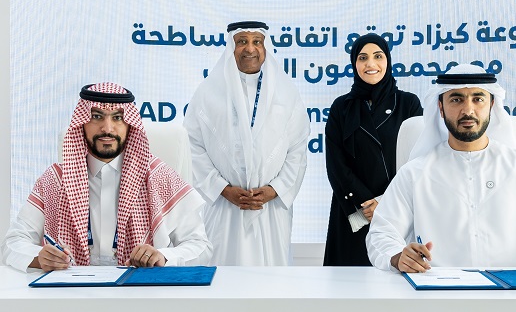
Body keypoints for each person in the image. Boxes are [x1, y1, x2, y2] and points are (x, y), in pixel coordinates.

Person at [366, 64, 516, 276]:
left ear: (491, 105)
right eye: (456, 99)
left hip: (514, 295)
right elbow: (381, 233)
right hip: (439, 294)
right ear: (441, 108)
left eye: (478, 99)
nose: (468, 110)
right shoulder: (414, 173)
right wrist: (397, 257)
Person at [1, 83, 212, 272]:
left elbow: (201, 247)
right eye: (97, 116)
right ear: (82, 123)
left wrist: (164, 256)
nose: (107, 128)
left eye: (118, 118)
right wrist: (39, 257)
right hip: (71, 294)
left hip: (140, 293)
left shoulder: (159, 177)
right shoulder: (55, 180)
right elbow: (12, 243)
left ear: (130, 125)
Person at [184, 21, 309, 266]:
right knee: (221, 275)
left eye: (256, 42)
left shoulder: (286, 93)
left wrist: (274, 190)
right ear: (231, 47)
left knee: (272, 278)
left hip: (271, 210)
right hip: (224, 207)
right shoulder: (208, 92)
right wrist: (222, 189)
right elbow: (192, 147)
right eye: (242, 41)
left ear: (265, 47)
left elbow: (298, 148)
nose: (250, 49)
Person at [323, 33, 422, 266]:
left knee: (393, 272)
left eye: (378, 56)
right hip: (353, 212)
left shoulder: (408, 104)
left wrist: (384, 203)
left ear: (387, 60)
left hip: (397, 210)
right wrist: (365, 204)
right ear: (354, 63)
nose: (370, 64)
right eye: (363, 57)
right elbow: (336, 165)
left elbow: (417, 160)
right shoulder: (341, 107)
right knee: (348, 280)